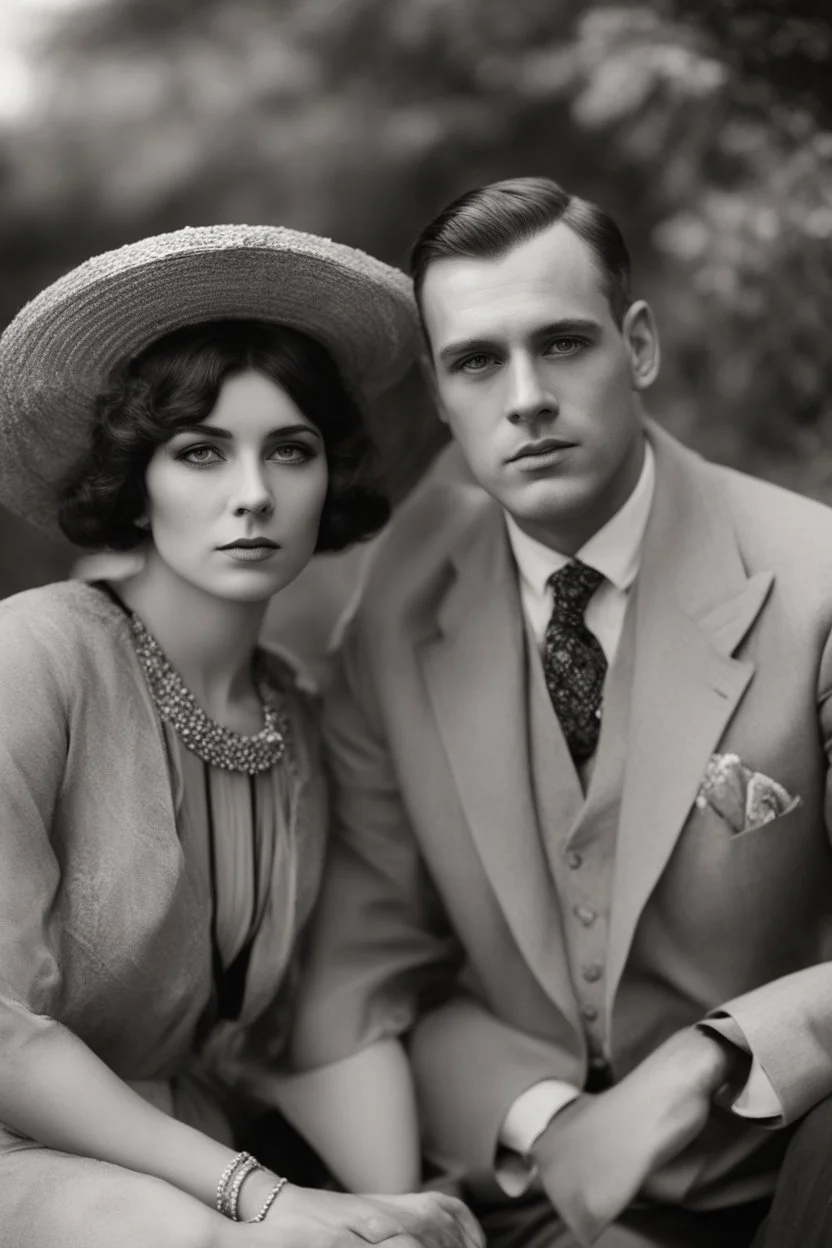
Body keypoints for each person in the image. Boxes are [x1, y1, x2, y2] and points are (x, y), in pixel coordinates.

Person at [287, 177, 832, 1247]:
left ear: (637, 348)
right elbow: (366, 967)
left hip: (794, 1173)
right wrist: (549, 1127)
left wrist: (704, 1059)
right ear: (440, 399)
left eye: (563, 344)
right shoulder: (393, 621)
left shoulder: (814, 583)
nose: (524, 397)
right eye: (477, 362)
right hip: (529, 1190)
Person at [0, 224, 484, 1248]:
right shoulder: (31, 657)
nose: (253, 493)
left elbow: (308, 1032)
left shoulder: (296, 719)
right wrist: (265, 1200)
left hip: (179, 1156)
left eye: (291, 451)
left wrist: (389, 1211)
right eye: (201, 452)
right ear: (138, 476)